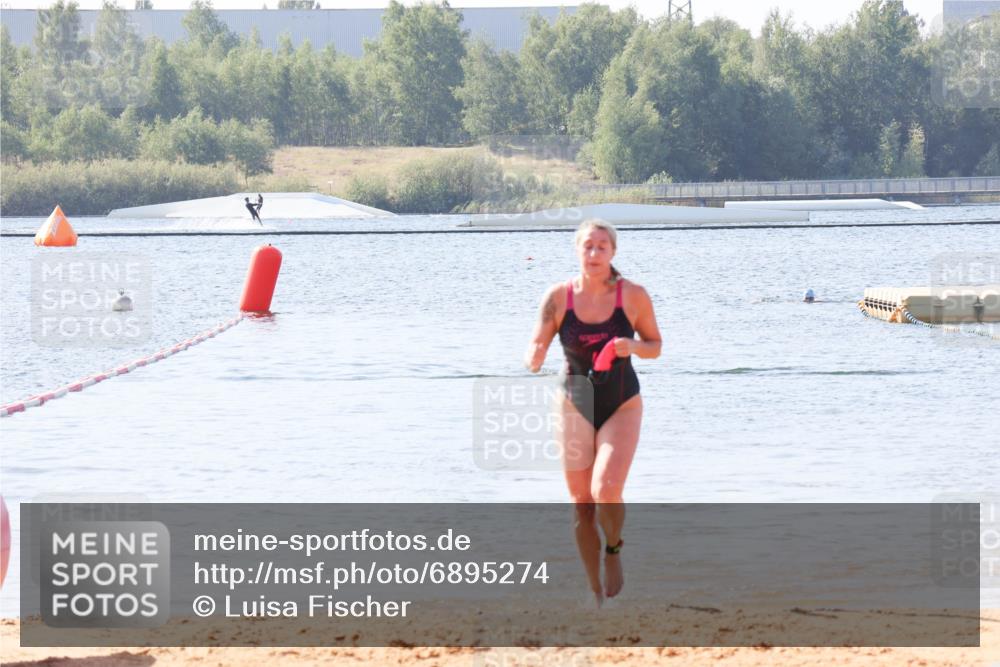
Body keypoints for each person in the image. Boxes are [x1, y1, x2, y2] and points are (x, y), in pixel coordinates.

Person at [524, 218, 662, 607]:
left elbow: (655, 345)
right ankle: (595, 590)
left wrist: (633, 347)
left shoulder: (633, 296)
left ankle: (613, 549)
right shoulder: (558, 297)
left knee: (607, 489)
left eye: (602, 246)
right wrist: (534, 356)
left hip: (622, 402)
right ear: (577, 250)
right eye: (587, 245)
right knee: (582, 503)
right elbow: (536, 343)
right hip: (574, 401)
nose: (594, 253)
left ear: (613, 252)